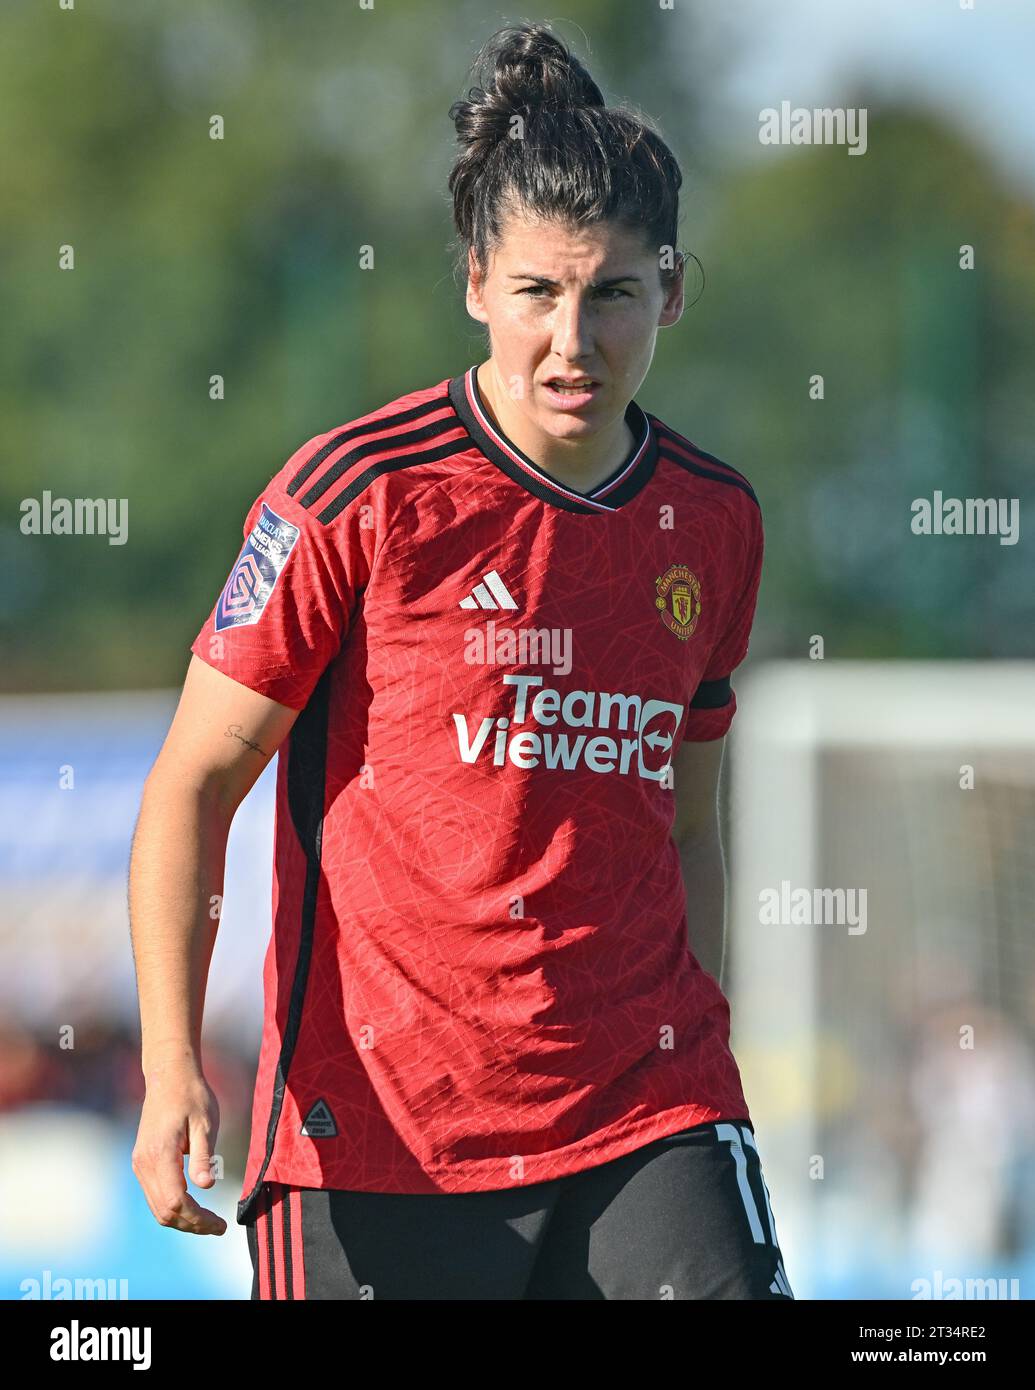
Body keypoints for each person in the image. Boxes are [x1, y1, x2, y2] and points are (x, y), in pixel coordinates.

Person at [129, 20, 794, 1301]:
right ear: (477, 285)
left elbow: (689, 827)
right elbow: (194, 784)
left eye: (612, 293)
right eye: (538, 293)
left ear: (670, 290)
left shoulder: (714, 522)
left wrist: (699, 1048)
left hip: (646, 1116)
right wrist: (170, 1065)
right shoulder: (356, 494)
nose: (572, 341)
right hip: (379, 1140)